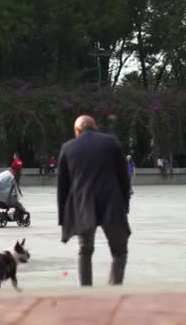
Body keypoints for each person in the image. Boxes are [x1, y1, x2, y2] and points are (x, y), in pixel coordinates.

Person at [57, 115, 131, 286]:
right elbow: (123, 178)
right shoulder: (111, 143)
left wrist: (64, 219)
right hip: (111, 203)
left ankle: (86, 291)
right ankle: (114, 287)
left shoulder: (68, 148)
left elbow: (63, 187)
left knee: (85, 250)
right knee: (119, 251)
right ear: (95, 127)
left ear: (77, 130)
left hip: (83, 205)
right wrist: (125, 205)